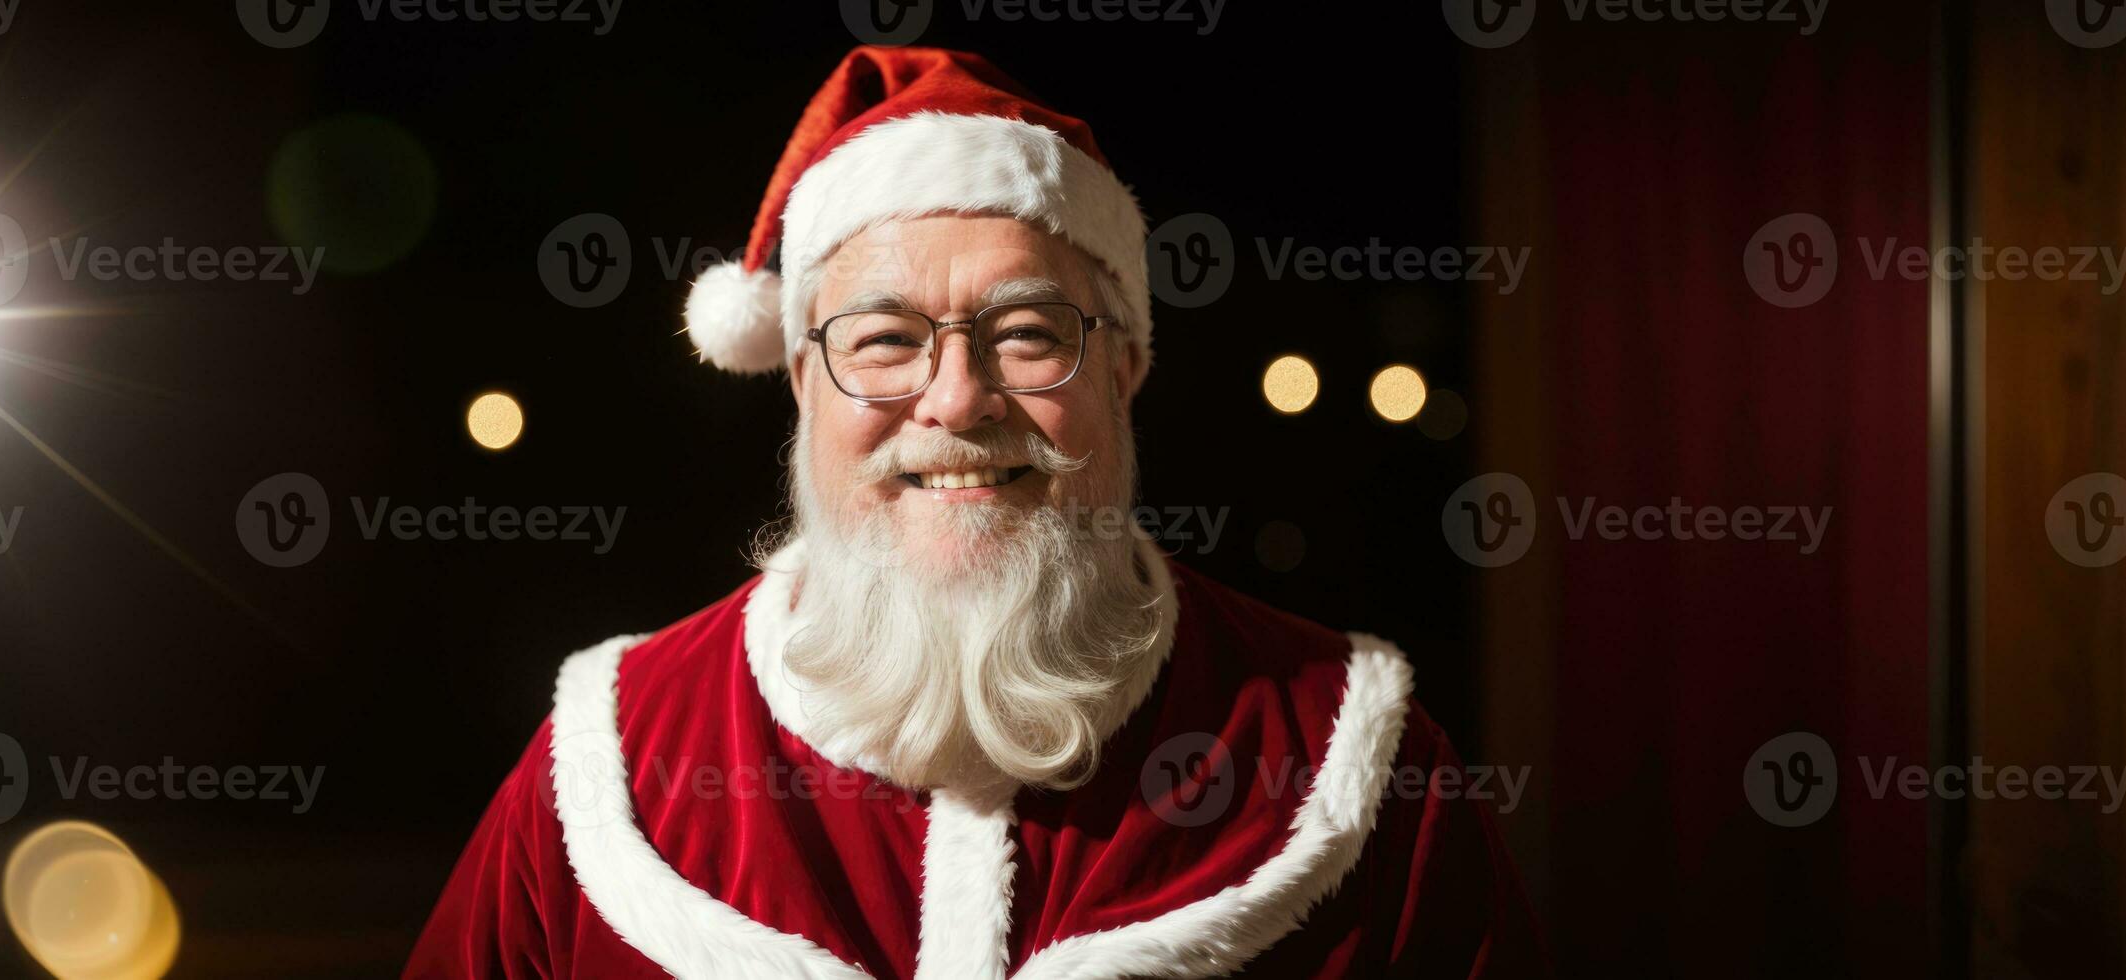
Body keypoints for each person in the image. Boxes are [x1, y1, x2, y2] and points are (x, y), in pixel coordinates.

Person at [408, 45, 1544, 979]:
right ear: (801, 380)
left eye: (1026, 333)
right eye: (884, 339)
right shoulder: (611, 760)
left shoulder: (1354, 761)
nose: (954, 398)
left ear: (1125, 370)